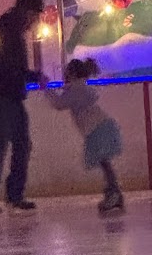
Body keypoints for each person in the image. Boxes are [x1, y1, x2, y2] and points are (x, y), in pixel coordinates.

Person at [0, 0, 46, 214]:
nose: (35, 21)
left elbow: (10, 69)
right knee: (2, 146)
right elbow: (8, 68)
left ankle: (12, 194)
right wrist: (33, 77)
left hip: (9, 97)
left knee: (20, 144)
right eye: (35, 15)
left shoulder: (11, 30)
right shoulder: (9, 32)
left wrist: (30, 77)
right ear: (28, 11)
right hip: (0, 98)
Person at [47, 58, 124, 213]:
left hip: (97, 129)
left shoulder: (77, 89)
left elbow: (59, 104)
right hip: (99, 127)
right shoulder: (79, 87)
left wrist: (46, 88)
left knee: (104, 163)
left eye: (67, 72)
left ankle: (114, 192)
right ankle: (113, 191)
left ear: (73, 73)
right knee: (104, 163)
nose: (65, 75)